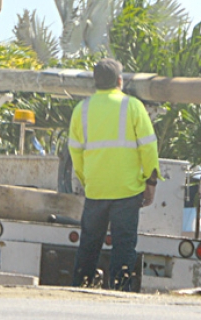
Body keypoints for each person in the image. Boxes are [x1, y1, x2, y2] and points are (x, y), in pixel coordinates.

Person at [68, 57, 160, 290]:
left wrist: (86, 180)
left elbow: (75, 152)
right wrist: (151, 181)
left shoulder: (82, 110)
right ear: (120, 81)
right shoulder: (133, 106)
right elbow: (149, 147)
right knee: (124, 245)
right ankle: (121, 290)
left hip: (96, 189)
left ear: (95, 82)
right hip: (127, 190)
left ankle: (81, 286)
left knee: (89, 244)